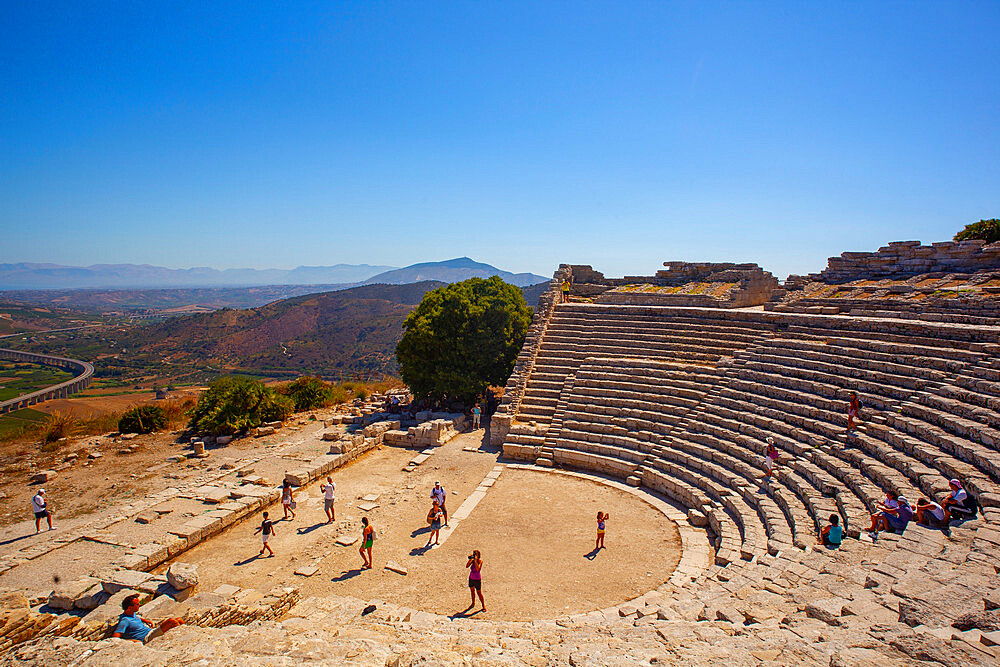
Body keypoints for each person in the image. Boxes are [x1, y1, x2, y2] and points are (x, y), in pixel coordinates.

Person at [111, 593, 184, 643]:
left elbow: (136, 618)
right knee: (172, 622)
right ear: (130, 607)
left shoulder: (131, 613)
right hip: (147, 638)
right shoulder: (125, 621)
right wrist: (133, 641)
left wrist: (145, 620)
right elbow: (115, 638)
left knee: (179, 620)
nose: (140, 604)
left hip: (151, 631)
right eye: (137, 604)